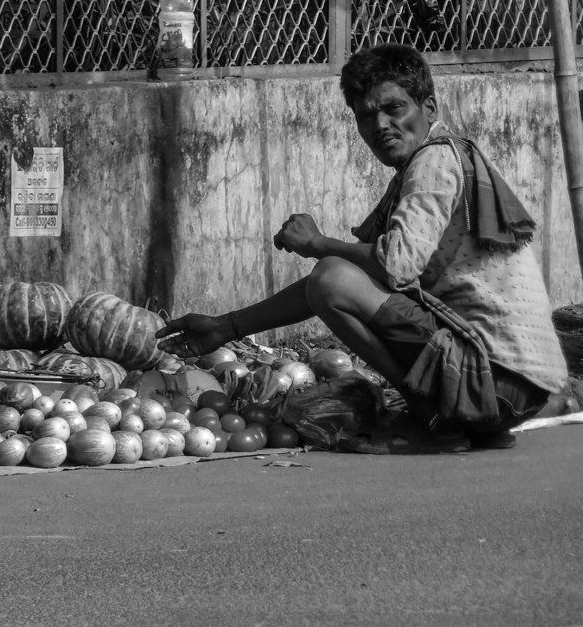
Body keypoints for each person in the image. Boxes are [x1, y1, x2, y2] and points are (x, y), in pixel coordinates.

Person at [157, 44, 568, 449]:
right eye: (367, 116)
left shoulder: (434, 161)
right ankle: (473, 425)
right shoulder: (432, 163)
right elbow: (345, 286)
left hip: (493, 380)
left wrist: (317, 243)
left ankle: (430, 415)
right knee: (334, 276)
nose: (381, 125)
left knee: (332, 274)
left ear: (429, 108)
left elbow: (389, 268)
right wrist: (226, 327)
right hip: (515, 388)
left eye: (395, 108)